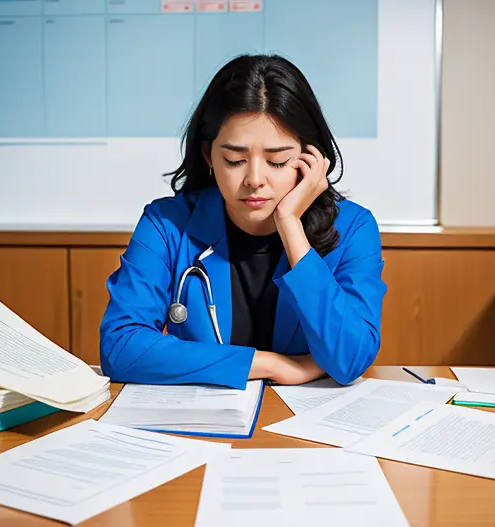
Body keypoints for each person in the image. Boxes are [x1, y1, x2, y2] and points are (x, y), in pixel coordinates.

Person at [99, 54, 386, 389]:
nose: (254, 179)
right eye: (234, 160)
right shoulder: (167, 224)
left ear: (311, 159)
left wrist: (290, 225)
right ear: (208, 155)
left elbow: (351, 360)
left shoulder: (353, 228)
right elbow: (120, 348)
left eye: (277, 161)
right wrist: (268, 363)